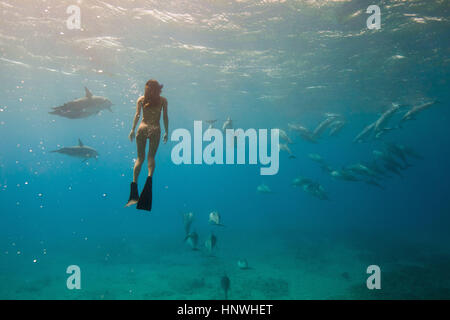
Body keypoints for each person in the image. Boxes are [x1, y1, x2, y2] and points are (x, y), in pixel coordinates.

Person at [125, 79, 168, 211]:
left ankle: (134, 187)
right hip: (155, 129)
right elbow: (165, 117)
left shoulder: (141, 99)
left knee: (140, 158)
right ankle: (149, 180)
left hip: (142, 128)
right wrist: (167, 131)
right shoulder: (162, 101)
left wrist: (132, 129)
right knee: (151, 158)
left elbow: (137, 115)